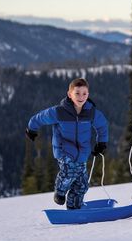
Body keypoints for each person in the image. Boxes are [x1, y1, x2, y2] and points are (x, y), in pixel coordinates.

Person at [25, 77, 108, 209]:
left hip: (82, 153)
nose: (81, 97)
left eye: (84, 93)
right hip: (64, 150)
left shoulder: (91, 113)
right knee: (70, 171)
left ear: (88, 94)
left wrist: (101, 142)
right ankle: (60, 191)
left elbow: (102, 126)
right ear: (69, 94)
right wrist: (31, 128)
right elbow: (41, 117)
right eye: (77, 93)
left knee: (82, 185)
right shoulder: (59, 111)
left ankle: (74, 207)